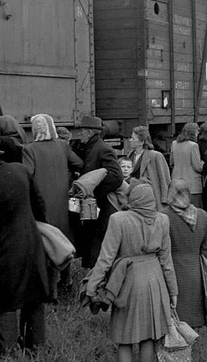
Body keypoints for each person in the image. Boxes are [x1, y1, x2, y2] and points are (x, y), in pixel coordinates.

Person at [0, 132, 49, 354]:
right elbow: (39, 205)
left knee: (4, 302)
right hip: (32, 244)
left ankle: (7, 350)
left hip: (4, 253)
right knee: (34, 298)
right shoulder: (20, 170)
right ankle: (36, 347)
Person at [86, 180, 178, 362]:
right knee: (148, 337)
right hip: (155, 281)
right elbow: (166, 261)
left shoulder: (118, 219)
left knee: (124, 338)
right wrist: (173, 291)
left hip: (127, 282)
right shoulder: (163, 220)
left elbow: (106, 257)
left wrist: (92, 286)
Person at [22, 114, 83, 301]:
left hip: (42, 204)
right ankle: (67, 280)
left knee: (47, 244)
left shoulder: (29, 149)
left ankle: (51, 292)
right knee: (64, 238)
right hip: (62, 201)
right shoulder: (63, 146)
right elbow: (78, 163)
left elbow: (27, 174)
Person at [75, 115, 123, 268]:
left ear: (90, 132)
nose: (80, 134)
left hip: (102, 205)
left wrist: (96, 192)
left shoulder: (103, 149)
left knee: (97, 239)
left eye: (82, 131)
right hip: (95, 205)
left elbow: (116, 177)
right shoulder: (91, 147)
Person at [165, 178, 207, 328]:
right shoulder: (202, 215)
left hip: (172, 269)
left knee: (175, 312)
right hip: (195, 270)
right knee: (194, 308)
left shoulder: (164, 216)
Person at [128, 125, 171, 210]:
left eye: (133, 138)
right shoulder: (130, 155)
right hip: (135, 198)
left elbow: (164, 179)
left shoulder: (155, 156)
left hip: (151, 198)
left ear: (141, 142)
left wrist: (165, 200)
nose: (130, 140)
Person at [170, 123, 204, 208]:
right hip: (192, 185)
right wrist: (203, 163)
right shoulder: (193, 146)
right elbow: (197, 167)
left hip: (176, 182)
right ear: (193, 133)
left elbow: (171, 162)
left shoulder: (174, 143)